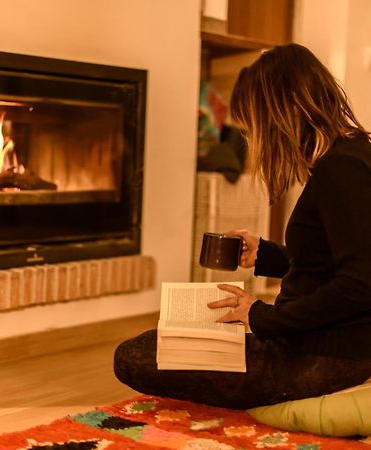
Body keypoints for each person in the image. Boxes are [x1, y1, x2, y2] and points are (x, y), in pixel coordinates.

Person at [113, 43, 371, 409]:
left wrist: (261, 315)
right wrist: (265, 255)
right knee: (159, 344)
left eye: (253, 125)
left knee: (135, 355)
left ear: (284, 112)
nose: (251, 139)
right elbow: (329, 266)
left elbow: (361, 285)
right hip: (314, 342)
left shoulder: (342, 170)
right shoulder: (348, 157)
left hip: (323, 356)